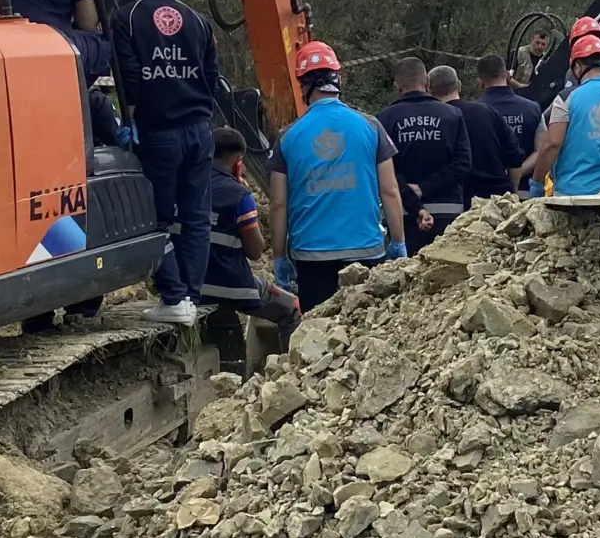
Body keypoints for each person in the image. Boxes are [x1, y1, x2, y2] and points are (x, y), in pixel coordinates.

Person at [111, 0, 218, 325]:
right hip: (199, 131)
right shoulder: (199, 21)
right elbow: (211, 77)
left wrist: (129, 119)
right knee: (196, 218)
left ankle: (174, 298)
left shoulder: (126, 17)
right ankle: (189, 296)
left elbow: (129, 75)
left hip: (158, 133)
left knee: (155, 218)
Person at [270, 41, 409, 312]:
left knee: (319, 339)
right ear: (338, 79)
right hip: (366, 250)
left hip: (312, 255)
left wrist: (279, 257)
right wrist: (399, 241)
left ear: (303, 86)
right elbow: (390, 190)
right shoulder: (371, 126)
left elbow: (278, 204)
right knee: (365, 335)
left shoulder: (288, 137)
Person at [202, 127, 300, 332]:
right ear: (238, 161)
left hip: (188, 284)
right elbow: (255, 252)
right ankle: (289, 364)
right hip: (229, 285)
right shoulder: (238, 195)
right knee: (293, 308)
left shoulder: (183, 186)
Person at [519, 34, 600, 195]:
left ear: (579, 67)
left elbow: (552, 144)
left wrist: (537, 182)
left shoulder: (566, 99)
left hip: (572, 194)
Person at [377, 57, 474, 250]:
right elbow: (463, 163)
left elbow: (387, 171)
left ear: (397, 86)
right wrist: (425, 187)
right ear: (427, 83)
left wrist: (414, 198)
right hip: (448, 213)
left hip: (403, 215)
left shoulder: (385, 118)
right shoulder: (452, 115)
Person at [433, 63, 517, 207]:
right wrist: (512, 193)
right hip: (497, 198)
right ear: (459, 86)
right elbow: (515, 157)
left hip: (458, 202)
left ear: (429, 90)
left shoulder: (435, 121)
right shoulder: (487, 112)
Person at [474, 54, 539, 195]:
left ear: (480, 80)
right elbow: (541, 150)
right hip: (524, 195)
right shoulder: (532, 108)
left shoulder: (473, 113)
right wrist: (517, 173)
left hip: (484, 197)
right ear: (507, 75)